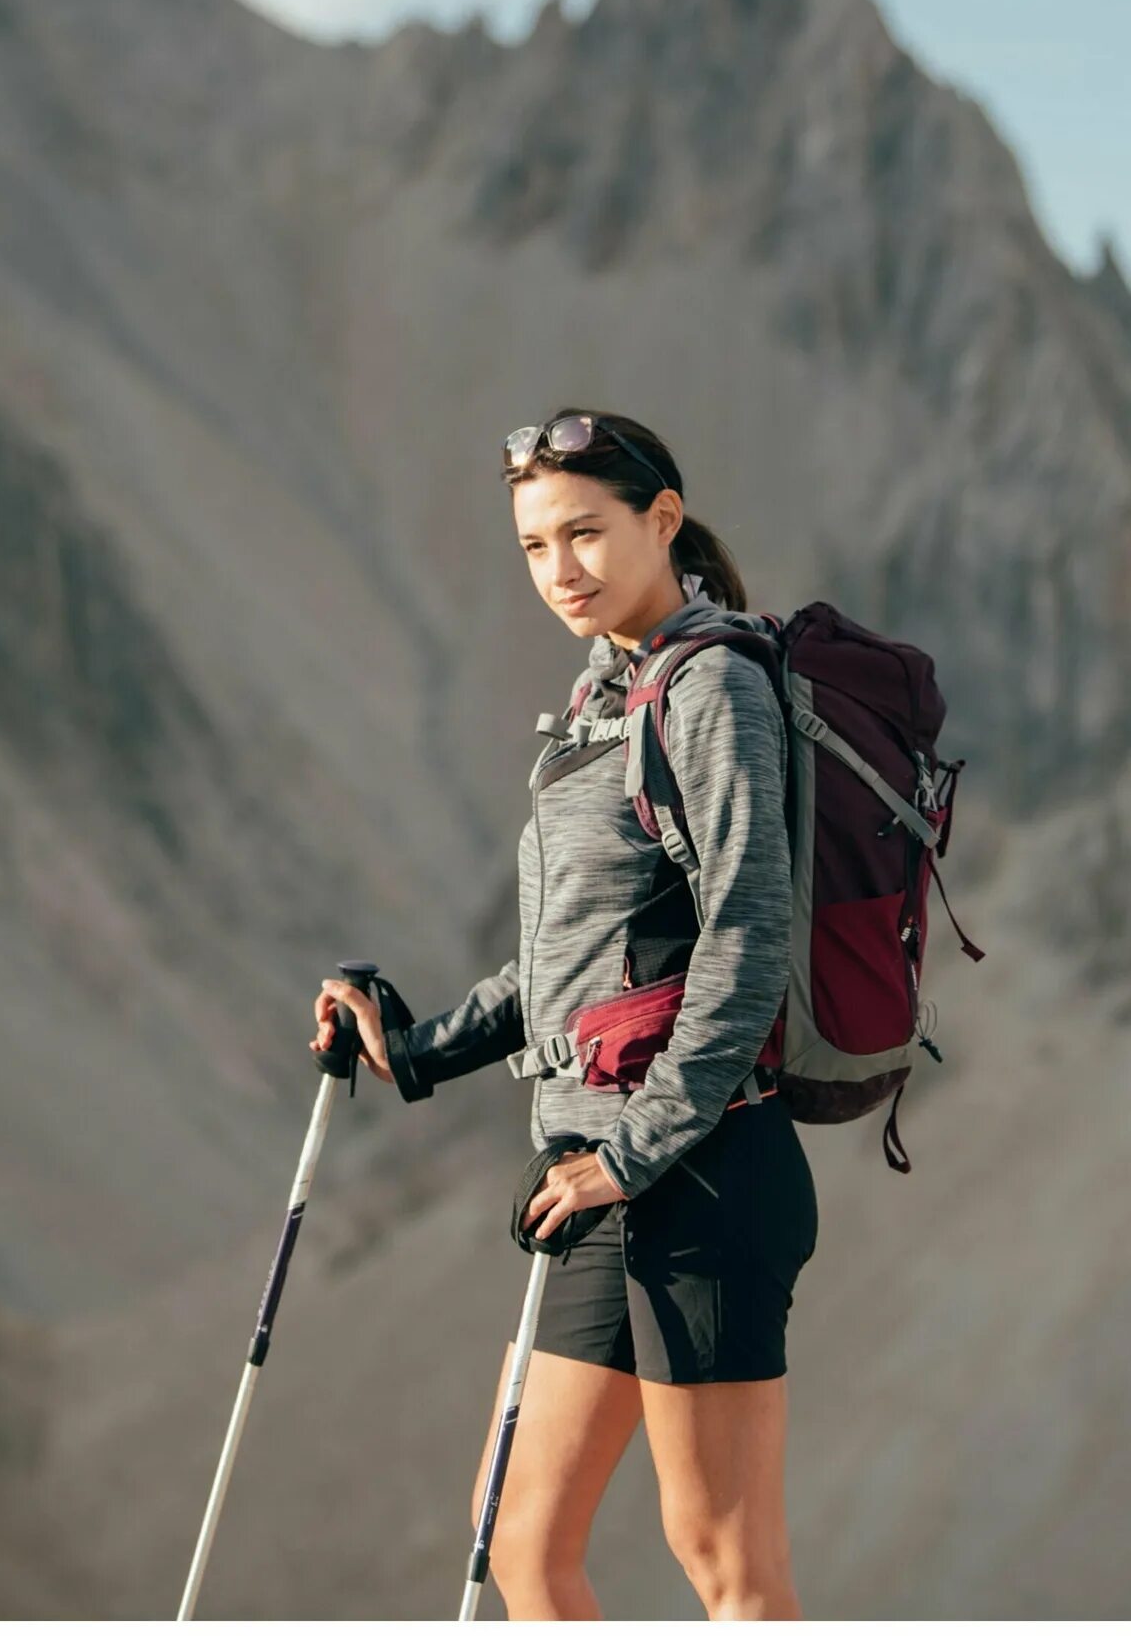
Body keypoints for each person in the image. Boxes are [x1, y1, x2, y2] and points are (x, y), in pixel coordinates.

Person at [312, 407, 814, 1621]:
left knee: (727, 1563)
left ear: (662, 518)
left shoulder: (712, 685)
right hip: (596, 1177)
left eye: (585, 532)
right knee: (521, 1543)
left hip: (702, 1175)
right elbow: (570, 964)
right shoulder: (608, 689)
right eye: (536, 545)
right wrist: (412, 1047)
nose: (560, 569)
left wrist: (630, 1154)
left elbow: (749, 939)